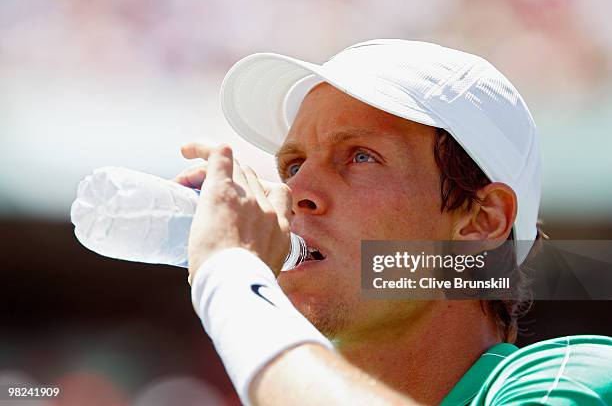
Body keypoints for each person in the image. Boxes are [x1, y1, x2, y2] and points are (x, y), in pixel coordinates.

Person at [174, 40, 612, 405]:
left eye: (361, 157)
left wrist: (230, 279)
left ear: (482, 221)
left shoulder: (579, 378)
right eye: (292, 165)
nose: (294, 191)